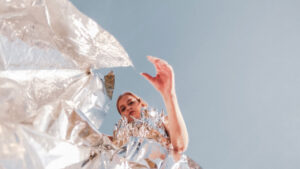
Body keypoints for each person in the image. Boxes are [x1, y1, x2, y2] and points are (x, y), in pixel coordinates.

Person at [116, 56, 189, 158]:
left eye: (131, 102)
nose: (128, 108)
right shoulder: (121, 139)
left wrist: (168, 94)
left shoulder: (160, 120)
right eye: (123, 109)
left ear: (140, 103)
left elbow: (180, 145)